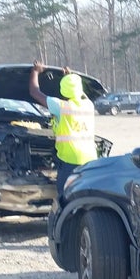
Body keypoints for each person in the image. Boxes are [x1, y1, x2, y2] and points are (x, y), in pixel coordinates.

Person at [28, 61, 97, 201]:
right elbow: (80, 93)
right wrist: (69, 77)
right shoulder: (88, 105)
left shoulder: (61, 106)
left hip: (70, 160)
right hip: (90, 159)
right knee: (84, 195)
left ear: (62, 90)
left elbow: (34, 92)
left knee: (65, 196)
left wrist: (35, 72)